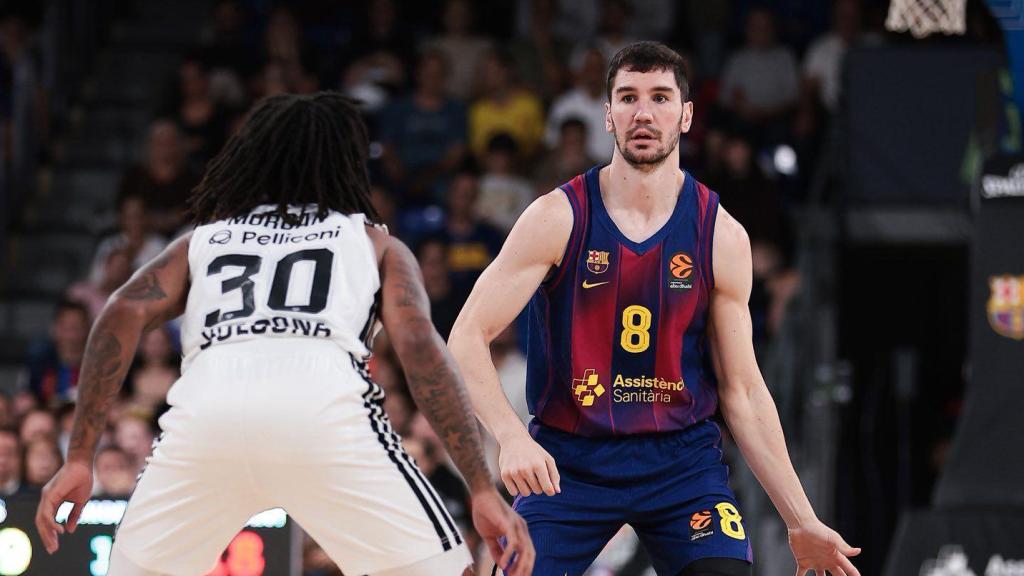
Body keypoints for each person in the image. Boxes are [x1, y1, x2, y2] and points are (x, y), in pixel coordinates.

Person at [35, 92, 533, 576]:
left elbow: (116, 316)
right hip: (324, 418)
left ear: (252, 158)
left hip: (208, 421)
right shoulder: (372, 242)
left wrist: (80, 457)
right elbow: (422, 352)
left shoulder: (205, 240)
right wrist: (481, 488)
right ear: (345, 163)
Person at [447, 42, 860, 576]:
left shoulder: (720, 235)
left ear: (686, 115)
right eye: (628, 98)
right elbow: (466, 335)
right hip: (569, 463)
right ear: (608, 114)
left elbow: (743, 390)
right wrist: (509, 436)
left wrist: (801, 518)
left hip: (680, 467)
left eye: (661, 97)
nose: (644, 113)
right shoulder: (557, 217)